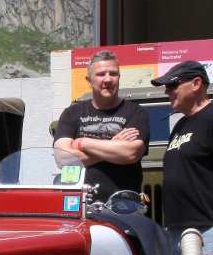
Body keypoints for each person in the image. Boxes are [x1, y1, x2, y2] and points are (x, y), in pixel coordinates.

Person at [154, 60, 213, 255]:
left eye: (173, 85)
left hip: (209, 231)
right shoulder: (181, 125)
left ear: (196, 83)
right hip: (179, 230)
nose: (167, 91)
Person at [53, 50, 150, 199]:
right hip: (78, 202)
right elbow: (63, 159)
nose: (108, 79)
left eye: (113, 74)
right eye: (101, 74)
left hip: (123, 203)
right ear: (88, 81)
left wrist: (83, 143)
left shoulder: (135, 112)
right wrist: (113, 144)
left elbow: (131, 153)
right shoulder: (72, 113)